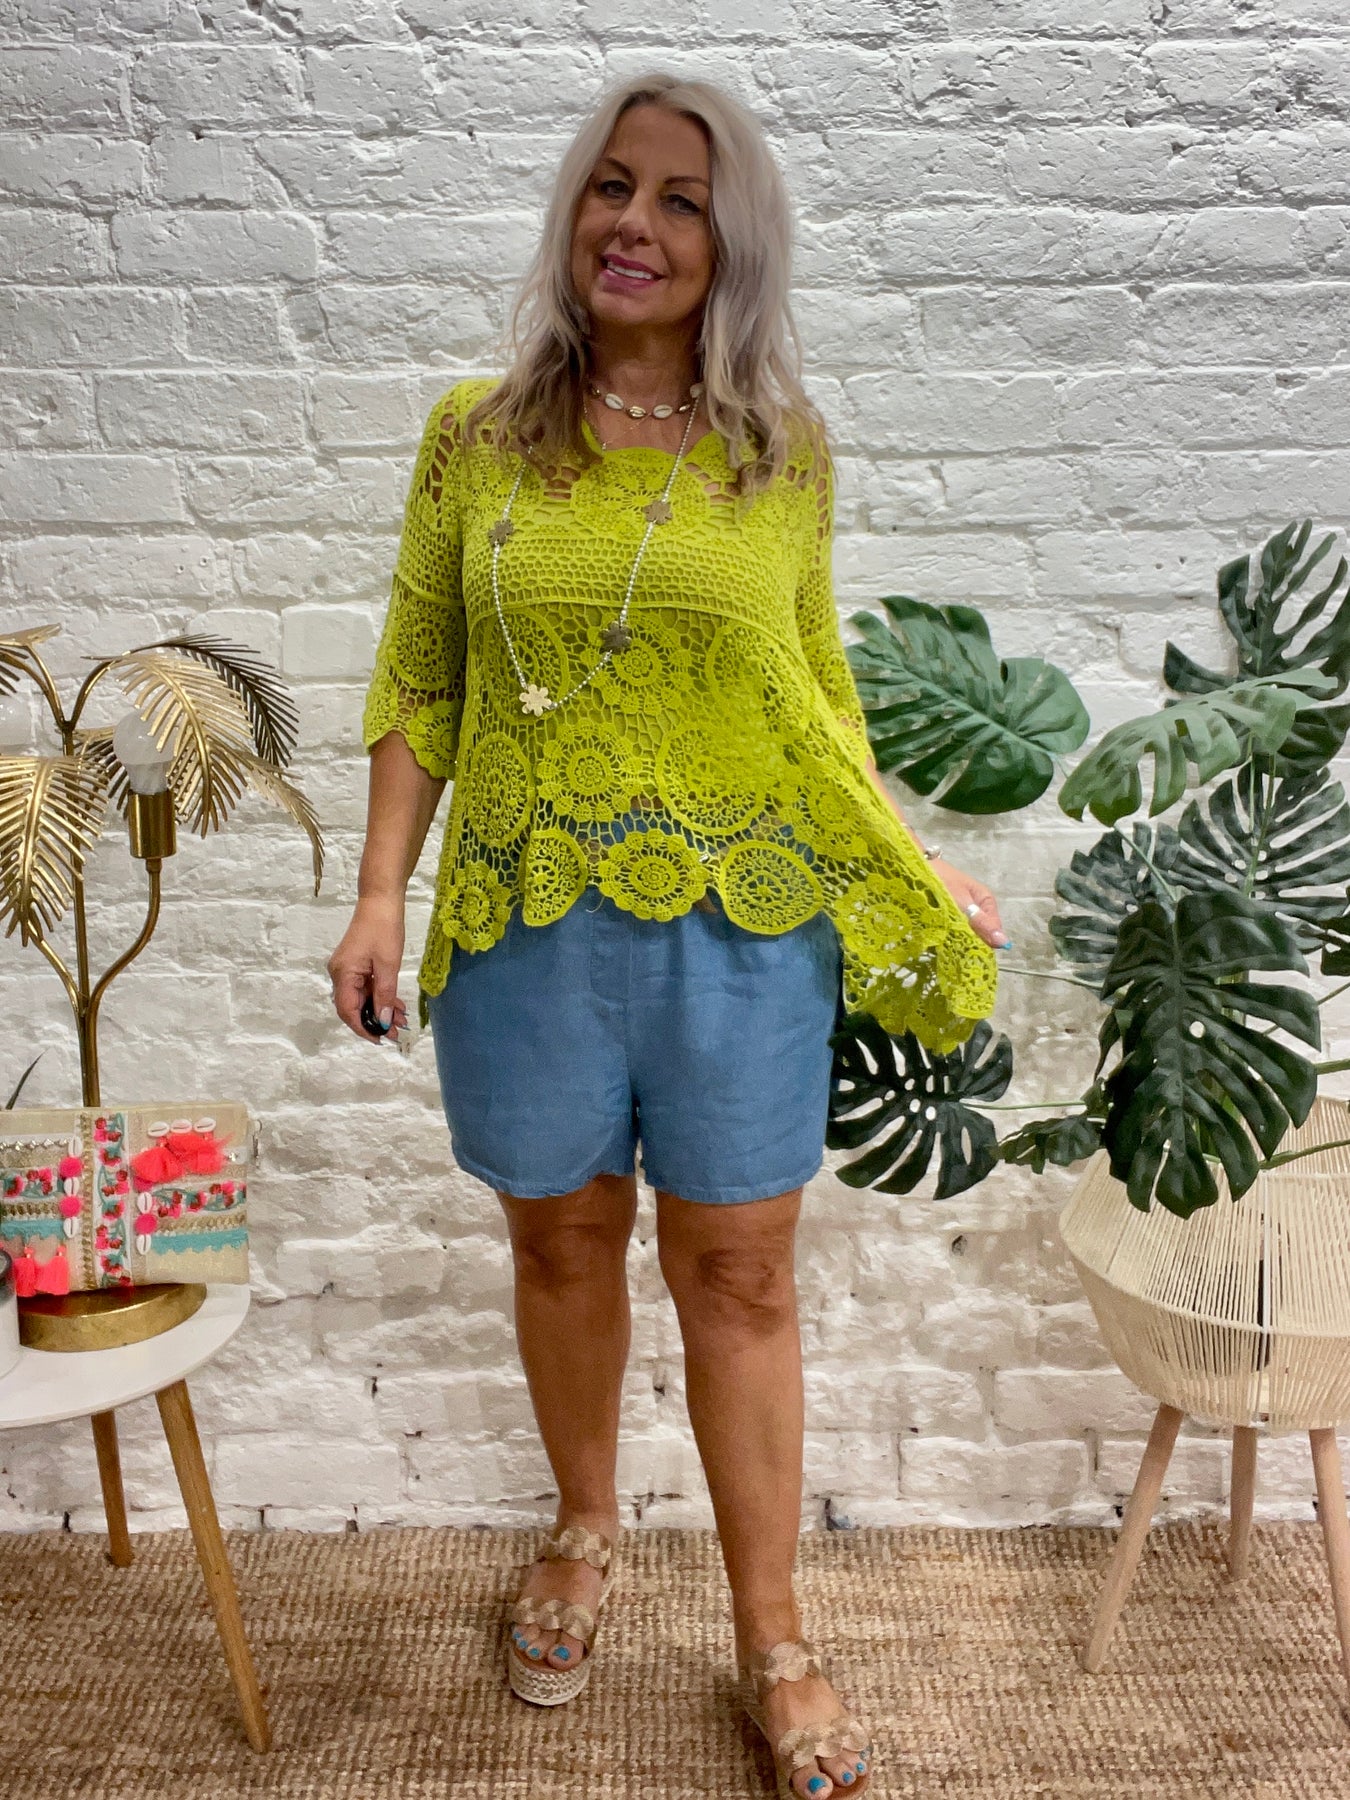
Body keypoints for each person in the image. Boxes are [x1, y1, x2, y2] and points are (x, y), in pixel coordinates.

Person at [328, 71, 1005, 1800]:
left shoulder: (780, 453)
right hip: (528, 913)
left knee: (742, 1272)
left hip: (741, 923)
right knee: (560, 1248)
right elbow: (423, 674)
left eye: (678, 199)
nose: (632, 222)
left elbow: (813, 694)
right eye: (609, 187)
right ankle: (580, 1529)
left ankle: (771, 1636)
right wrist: (380, 888)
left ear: (730, 243)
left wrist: (907, 863)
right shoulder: (472, 439)